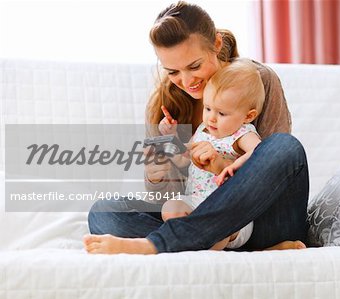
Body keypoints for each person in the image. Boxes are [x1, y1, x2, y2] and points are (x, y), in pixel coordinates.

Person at [83, 1, 309, 254]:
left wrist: (220, 164)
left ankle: (158, 244)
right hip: (198, 214)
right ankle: (208, 243)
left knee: (285, 147)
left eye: (194, 66)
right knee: (104, 213)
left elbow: (274, 167)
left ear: (216, 44)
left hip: (263, 225)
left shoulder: (258, 79)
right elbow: (170, 198)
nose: (187, 81)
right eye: (173, 72)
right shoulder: (165, 106)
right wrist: (157, 173)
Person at [160, 59, 305, 251]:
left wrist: (231, 164)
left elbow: (261, 155)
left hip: (231, 215)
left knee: (215, 231)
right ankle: (192, 242)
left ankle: (201, 255)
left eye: (221, 113)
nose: (211, 117)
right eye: (208, 108)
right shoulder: (204, 130)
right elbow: (182, 158)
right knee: (170, 208)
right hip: (196, 203)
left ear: (247, 116)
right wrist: (171, 138)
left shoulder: (242, 134)